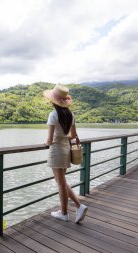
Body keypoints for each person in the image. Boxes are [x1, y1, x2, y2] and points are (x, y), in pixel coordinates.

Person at [43, 84, 88, 223]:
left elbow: (49, 140)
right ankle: (78, 207)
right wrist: (63, 137)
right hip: (66, 149)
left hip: (56, 151)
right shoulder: (71, 114)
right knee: (62, 182)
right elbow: (73, 135)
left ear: (53, 100)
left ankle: (65, 212)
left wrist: (48, 142)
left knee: (60, 183)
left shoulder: (53, 114)